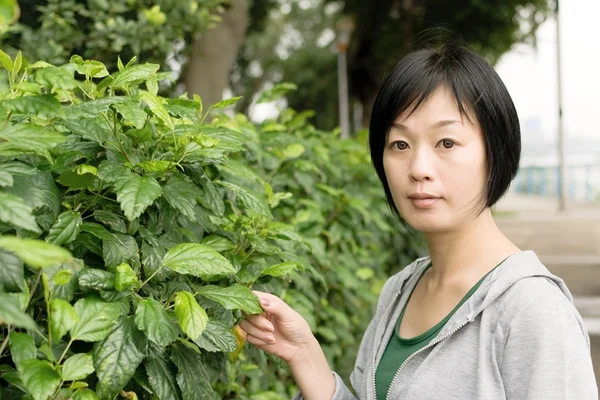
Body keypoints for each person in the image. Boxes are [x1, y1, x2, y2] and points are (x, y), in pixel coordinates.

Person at [240, 43, 598, 399]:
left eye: (446, 142)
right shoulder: (401, 289)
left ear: (496, 152)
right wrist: (303, 354)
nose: (419, 169)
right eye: (399, 144)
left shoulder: (532, 311)